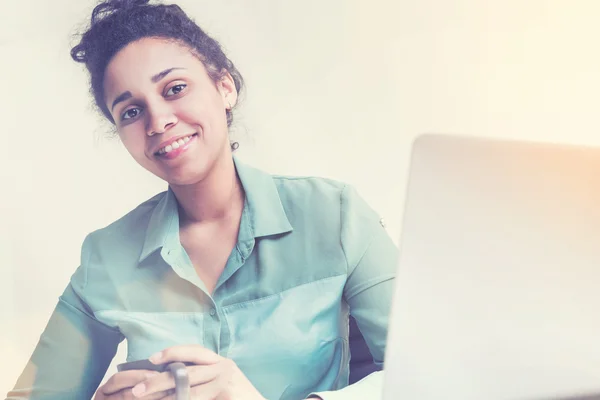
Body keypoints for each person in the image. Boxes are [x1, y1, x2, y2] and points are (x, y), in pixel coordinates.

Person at [6, 0, 398, 399]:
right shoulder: (106, 257)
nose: (158, 122)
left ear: (224, 87)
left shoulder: (335, 215)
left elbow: (431, 377)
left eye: (175, 89)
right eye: (130, 111)